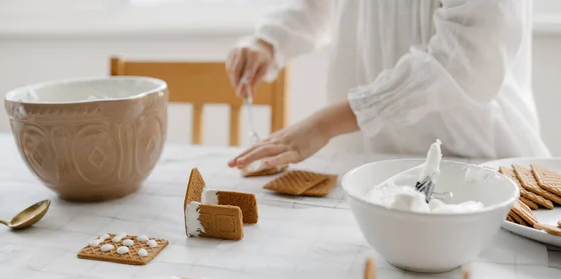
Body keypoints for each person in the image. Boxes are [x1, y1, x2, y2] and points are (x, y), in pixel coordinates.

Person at [225, 0, 551, 172]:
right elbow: (318, 5)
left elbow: (467, 60)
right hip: (367, 158)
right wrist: (269, 41)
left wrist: (328, 122)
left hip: (471, 156)